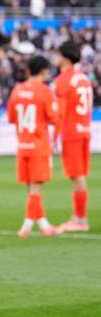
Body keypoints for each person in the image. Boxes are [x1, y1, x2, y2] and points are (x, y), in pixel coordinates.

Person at [7, 55, 59, 238]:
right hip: (39, 145)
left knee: (30, 188)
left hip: (22, 145)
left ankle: (44, 225)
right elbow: (54, 118)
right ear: (44, 71)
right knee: (36, 188)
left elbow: (12, 118)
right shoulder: (45, 91)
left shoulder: (17, 90)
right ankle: (26, 227)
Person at [53, 41, 93, 232]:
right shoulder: (84, 78)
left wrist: (54, 138)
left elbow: (59, 113)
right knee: (79, 175)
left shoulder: (63, 79)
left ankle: (80, 219)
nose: (55, 57)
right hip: (84, 130)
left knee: (76, 176)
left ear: (65, 57)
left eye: (57, 54)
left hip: (72, 132)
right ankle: (79, 217)